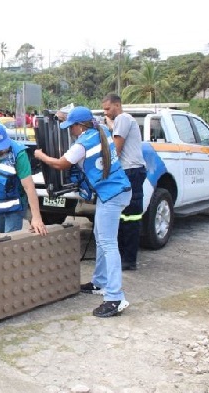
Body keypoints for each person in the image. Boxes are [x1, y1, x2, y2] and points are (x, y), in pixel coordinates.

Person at [34, 106, 132, 318]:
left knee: (108, 243)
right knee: (101, 237)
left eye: (72, 126)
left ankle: (115, 297)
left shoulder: (82, 144)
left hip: (111, 195)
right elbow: (93, 119)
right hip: (119, 191)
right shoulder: (102, 131)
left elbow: (61, 164)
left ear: (80, 126)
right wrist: (61, 115)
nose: (70, 130)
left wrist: (41, 156)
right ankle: (100, 282)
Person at [102, 93, 147, 271]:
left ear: (117, 105)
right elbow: (115, 130)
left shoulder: (122, 118)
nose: (106, 112)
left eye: (107, 109)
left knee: (129, 217)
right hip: (133, 171)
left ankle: (128, 259)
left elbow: (116, 149)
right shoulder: (124, 120)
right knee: (126, 216)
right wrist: (108, 122)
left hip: (130, 172)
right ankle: (126, 257)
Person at [0, 124, 47, 235]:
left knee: (10, 240)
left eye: (3, 147)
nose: (2, 151)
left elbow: (29, 187)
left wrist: (36, 217)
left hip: (15, 204)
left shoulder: (19, 154)